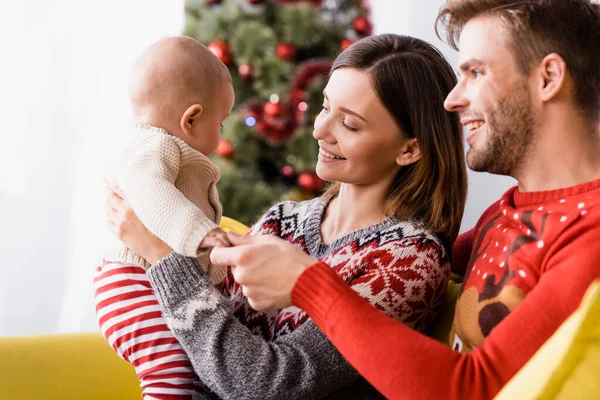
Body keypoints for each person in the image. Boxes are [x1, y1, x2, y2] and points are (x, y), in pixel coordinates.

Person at [205, 0, 600, 399]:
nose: (452, 101)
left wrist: (308, 284)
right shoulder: (507, 213)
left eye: (476, 73)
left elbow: (473, 388)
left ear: (548, 77)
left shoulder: (590, 235)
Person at [105, 34, 469, 398]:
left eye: (350, 125)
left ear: (409, 149)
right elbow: (199, 344)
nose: (319, 130)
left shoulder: (408, 263)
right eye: (325, 108)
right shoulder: (283, 221)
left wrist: (162, 256)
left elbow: (262, 386)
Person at [95, 36, 234, 399]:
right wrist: (202, 234)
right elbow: (150, 193)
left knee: (195, 374)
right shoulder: (152, 146)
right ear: (192, 119)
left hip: (152, 281)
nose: (222, 134)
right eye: (221, 124)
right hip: (133, 283)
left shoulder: (159, 146)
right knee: (169, 368)